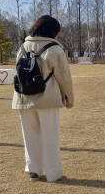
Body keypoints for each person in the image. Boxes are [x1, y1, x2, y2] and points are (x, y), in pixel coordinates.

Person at [12, 15, 75, 182]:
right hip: (47, 99)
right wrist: (69, 99)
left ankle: (33, 170)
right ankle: (54, 174)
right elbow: (64, 77)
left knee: (30, 136)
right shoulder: (55, 49)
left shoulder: (23, 47)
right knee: (50, 137)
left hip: (24, 98)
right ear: (53, 31)